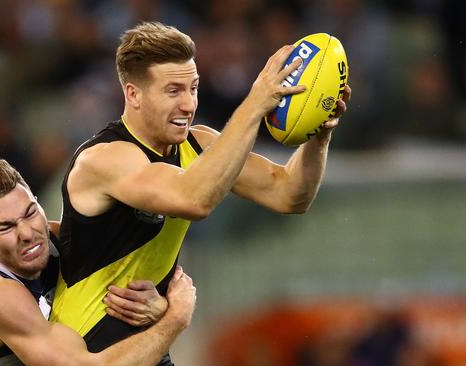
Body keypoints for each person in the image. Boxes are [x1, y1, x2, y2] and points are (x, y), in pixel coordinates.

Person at [50, 21, 351, 364]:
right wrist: (255, 104)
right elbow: (193, 199)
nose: (188, 104)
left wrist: (318, 134)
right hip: (86, 353)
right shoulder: (104, 158)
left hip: (146, 350)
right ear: (133, 94)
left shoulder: (199, 143)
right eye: (173, 90)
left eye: (193, 88)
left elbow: (289, 194)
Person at [0, 159, 197, 366]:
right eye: (6, 227)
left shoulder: (50, 239)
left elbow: (125, 277)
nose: (27, 233)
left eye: (30, 213)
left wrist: (158, 306)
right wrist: (175, 319)